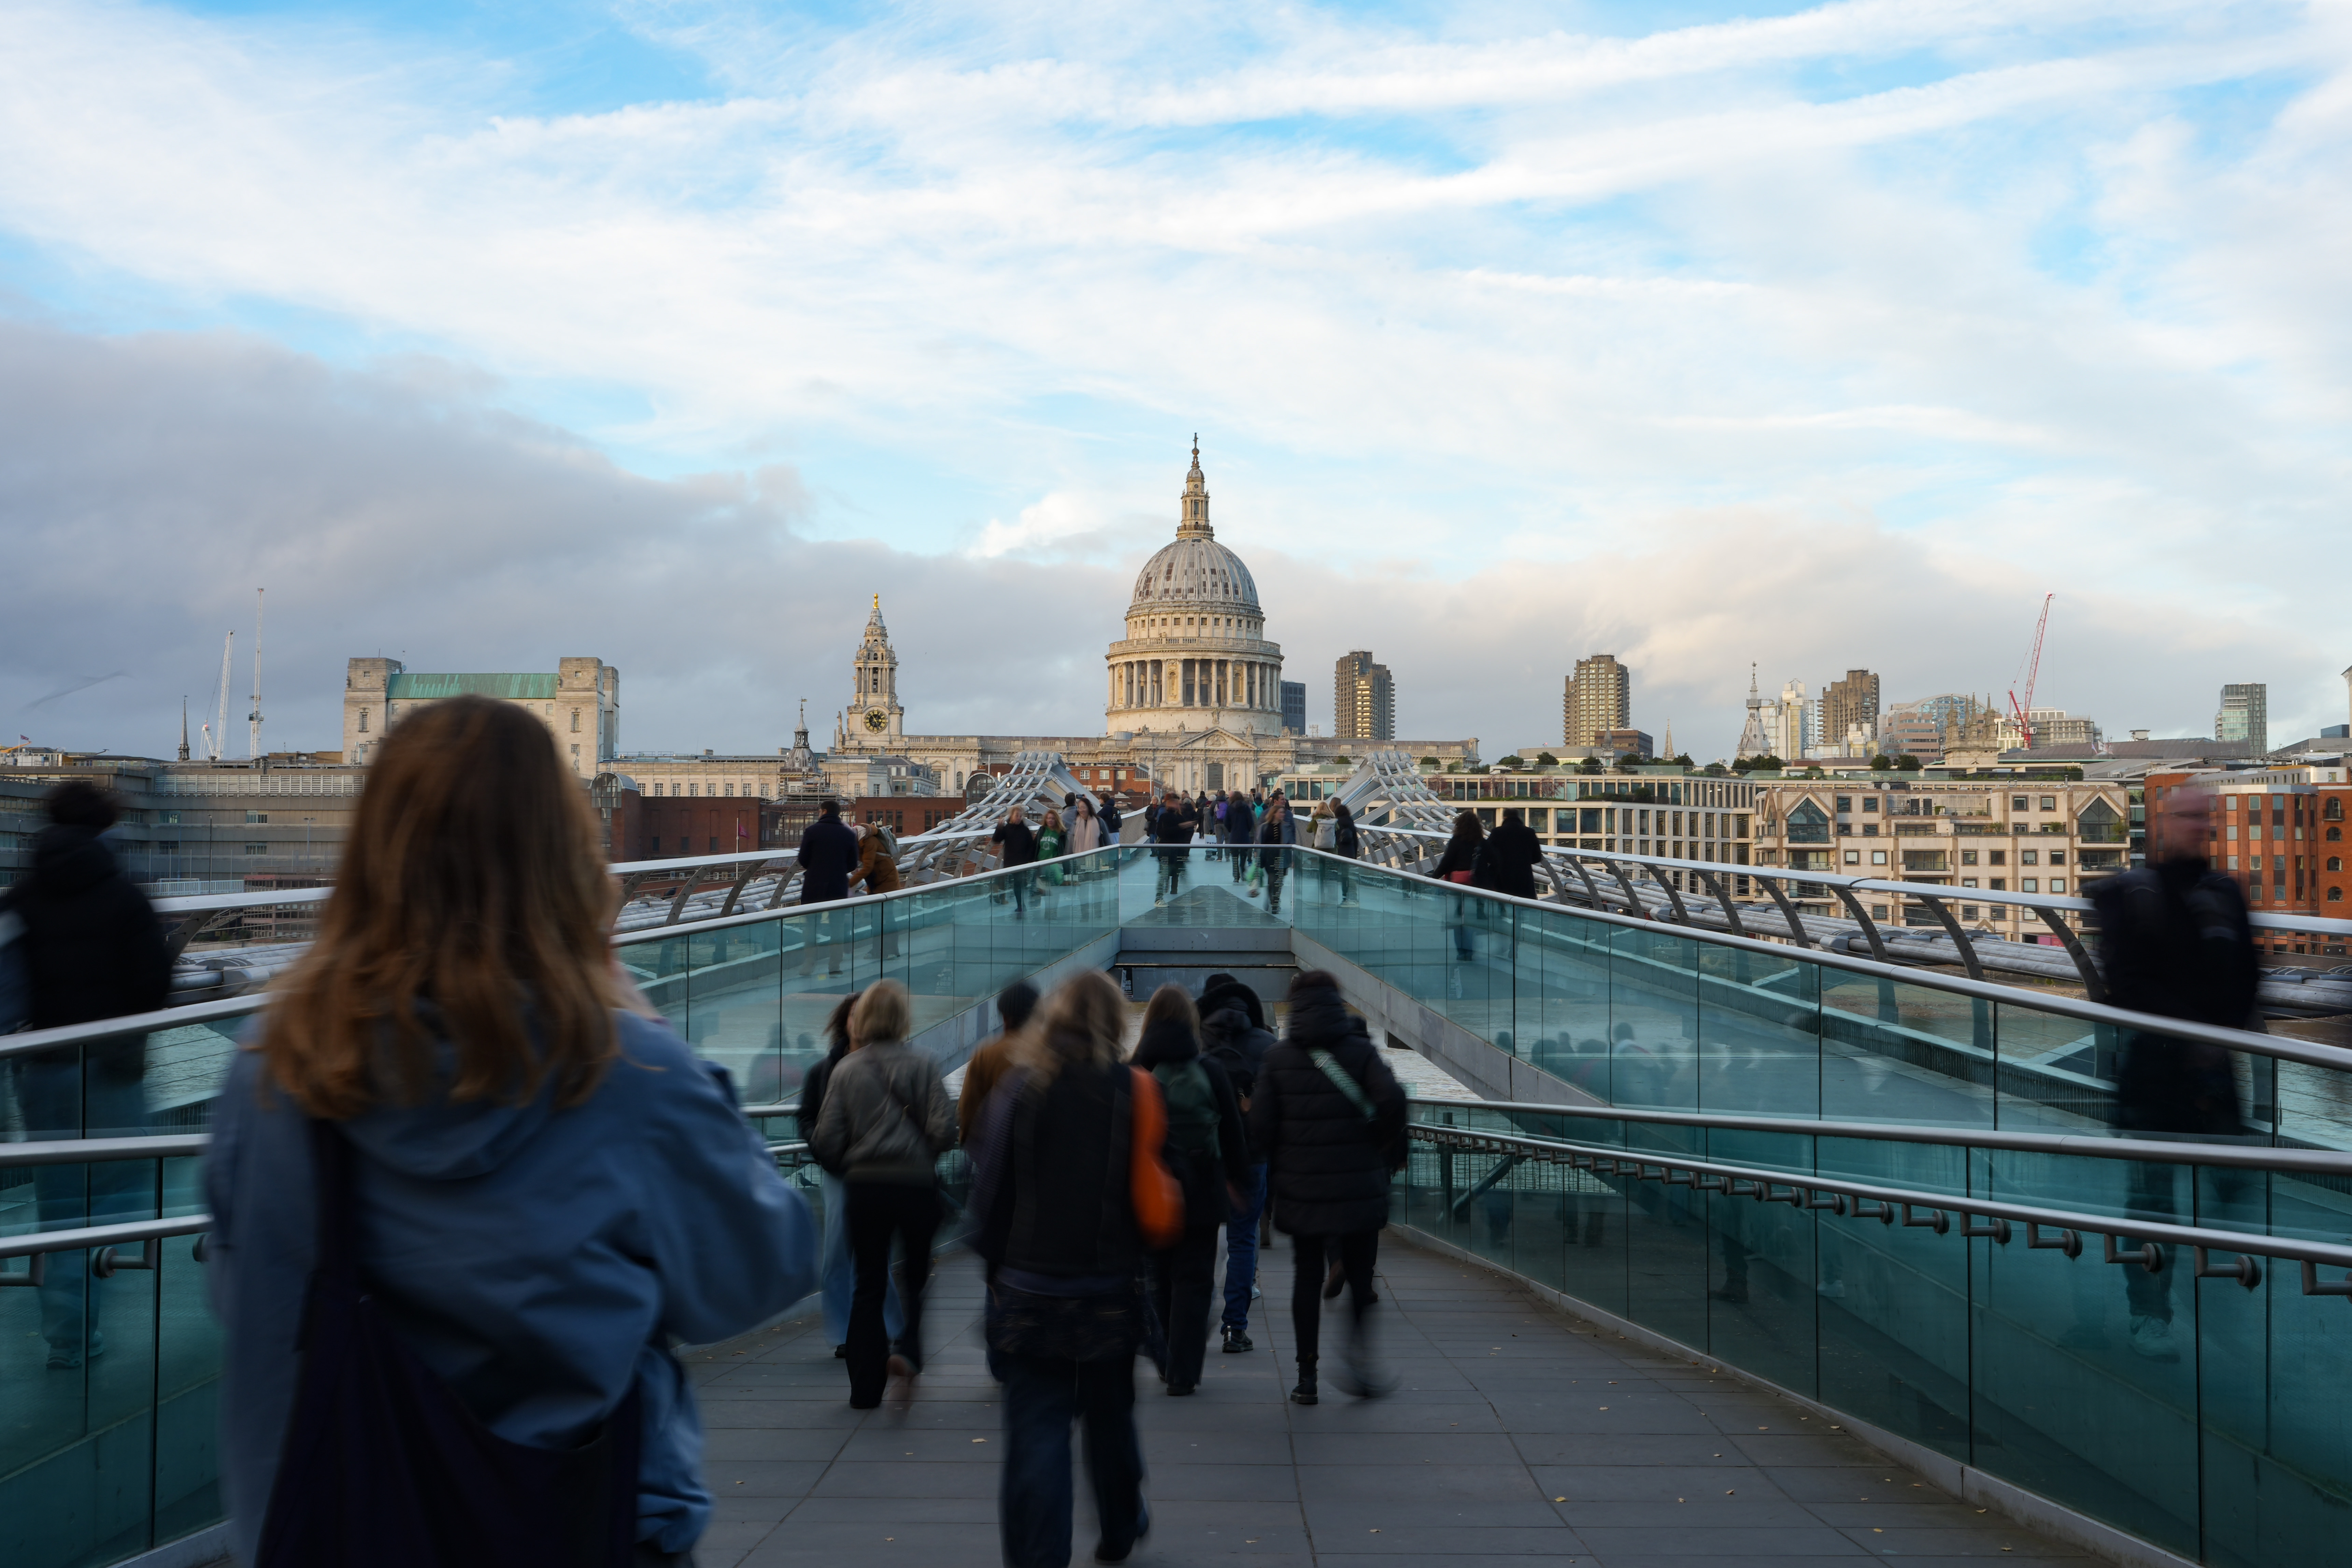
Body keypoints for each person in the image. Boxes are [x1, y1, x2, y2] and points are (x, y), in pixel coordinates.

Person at [204, 694, 818, 1568]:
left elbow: (251, 1308)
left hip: (342, 1524)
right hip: (588, 1520)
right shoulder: (625, 1067)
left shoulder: (275, 1064)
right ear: (564, 852)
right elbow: (758, 1270)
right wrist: (638, 1017)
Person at [969, 972, 1163, 1568]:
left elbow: (991, 1189)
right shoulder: (1136, 1088)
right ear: (1114, 1022)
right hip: (1108, 1288)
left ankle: (1037, 1555)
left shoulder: (1018, 1088)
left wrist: (996, 1271)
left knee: (1037, 1433)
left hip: (1030, 1290)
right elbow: (1149, 1195)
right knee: (1109, 1414)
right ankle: (1120, 1520)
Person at [2, 779, 171, 1369]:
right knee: (119, 1189)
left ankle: (68, 1336)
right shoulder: (127, 897)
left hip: (43, 1071)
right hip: (113, 1068)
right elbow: (154, 986)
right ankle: (90, 1293)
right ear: (106, 829)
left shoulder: (19, 898)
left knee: (59, 1199)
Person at [2086, 784, 2258, 1364]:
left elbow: (2248, 975)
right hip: (2156, 1074)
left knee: (2235, 1185)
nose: (2197, 826)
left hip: (2213, 1075)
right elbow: (2126, 985)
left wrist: (2221, 1035)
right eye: (2186, 816)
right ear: (2160, 824)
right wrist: (2204, 1033)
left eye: (2203, 816)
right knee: (2152, 1198)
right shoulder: (2128, 894)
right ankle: (2149, 1312)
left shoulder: (2224, 893)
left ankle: (2220, 1304)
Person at [1247, 970, 1407, 1405]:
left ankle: (1306, 1376)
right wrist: (1380, 1143)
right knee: (1360, 1274)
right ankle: (1358, 1358)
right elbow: (1392, 1099)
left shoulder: (1278, 1059)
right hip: (1357, 1184)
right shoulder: (1360, 1052)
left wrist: (1282, 1159)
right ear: (1337, 1003)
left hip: (1302, 1188)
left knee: (1306, 1275)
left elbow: (1259, 1128)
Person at [809, 980, 955, 1408]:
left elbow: (827, 1140)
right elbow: (946, 1129)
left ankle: (864, 1388)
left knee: (868, 1283)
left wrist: (858, 1151)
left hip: (866, 1188)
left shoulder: (846, 1070)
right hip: (915, 1185)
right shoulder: (925, 1063)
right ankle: (908, 1351)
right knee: (914, 1279)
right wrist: (919, 1149)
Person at [1131, 986, 1250, 1395]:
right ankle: (1184, 1371)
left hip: (1153, 1187)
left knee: (1159, 1278)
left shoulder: (1138, 1069)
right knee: (1195, 1280)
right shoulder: (1211, 1067)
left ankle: (1166, 1358)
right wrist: (1239, 1181)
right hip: (1203, 1186)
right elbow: (1234, 1135)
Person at [799, 995, 904, 1359]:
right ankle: (845, 1332)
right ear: (844, 1020)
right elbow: (808, 1115)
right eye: (855, 1016)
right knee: (837, 1254)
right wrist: (823, 1150)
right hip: (839, 1172)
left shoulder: (892, 1065)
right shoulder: (823, 1069)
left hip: (879, 1171)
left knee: (876, 1251)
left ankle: (888, 1326)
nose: (860, 1023)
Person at [1199, 976, 1277, 1354]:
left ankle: (1189, 1322)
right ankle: (1235, 1327)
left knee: (1197, 1240)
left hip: (1202, 1157)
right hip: (1252, 1157)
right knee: (1243, 1241)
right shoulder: (1267, 1045)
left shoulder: (1196, 1041)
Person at [955, 980, 1042, 1147]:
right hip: (1040, 1152)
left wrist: (966, 1140)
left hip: (997, 1149)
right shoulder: (1050, 1054)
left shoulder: (986, 1055)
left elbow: (969, 1108)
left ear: (1005, 1017)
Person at [796, 799, 862, 976]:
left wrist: (817, 867)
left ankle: (809, 963)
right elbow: (852, 863)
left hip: (814, 884)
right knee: (837, 927)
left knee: (811, 925)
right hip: (838, 884)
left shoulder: (812, 831)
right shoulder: (848, 834)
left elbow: (803, 859)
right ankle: (835, 965)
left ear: (824, 812)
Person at [1429, 810, 1486, 961]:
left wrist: (1434, 877)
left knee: (1458, 920)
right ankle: (1471, 950)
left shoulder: (1456, 840)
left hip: (1458, 884)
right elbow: (1491, 861)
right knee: (1471, 919)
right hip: (1476, 885)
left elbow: (1447, 862)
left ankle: (1462, 952)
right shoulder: (1481, 841)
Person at [849, 821, 902, 959]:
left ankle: (882, 951)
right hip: (878, 882)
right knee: (882, 918)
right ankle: (885, 950)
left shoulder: (870, 842)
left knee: (883, 919)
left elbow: (868, 867)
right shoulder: (864, 841)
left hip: (886, 883)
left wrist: (849, 885)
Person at [1476, 806, 1544, 900]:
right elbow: (1537, 857)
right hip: (1524, 877)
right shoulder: (1530, 832)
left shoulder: (1497, 832)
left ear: (1505, 818)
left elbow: (1488, 854)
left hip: (1502, 877)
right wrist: (1524, 862)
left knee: (1502, 904)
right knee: (1524, 906)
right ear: (1518, 817)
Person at [1152, 789, 1198, 906]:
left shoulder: (1180, 817)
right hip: (1167, 851)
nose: (1179, 806)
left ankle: (1190, 896)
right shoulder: (1166, 817)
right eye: (1177, 803)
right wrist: (1181, 827)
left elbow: (1183, 835)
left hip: (1177, 852)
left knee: (1183, 874)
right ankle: (1158, 899)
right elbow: (1162, 833)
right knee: (1165, 875)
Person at [992, 804, 1040, 917]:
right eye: (1017, 816)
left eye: (1020, 816)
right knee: (1004, 881)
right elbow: (996, 840)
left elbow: (1031, 846)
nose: (1019, 818)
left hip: (1021, 863)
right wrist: (999, 827)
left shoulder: (1025, 830)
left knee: (1018, 884)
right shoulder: (1007, 829)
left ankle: (1020, 905)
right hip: (1009, 862)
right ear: (1012, 817)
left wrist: (1029, 859)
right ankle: (999, 897)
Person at [1256, 793, 1298, 917]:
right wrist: (1256, 854)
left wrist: (1293, 857)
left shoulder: (1286, 827)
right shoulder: (1264, 827)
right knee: (1272, 880)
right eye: (1281, 813)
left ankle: (1276, 902)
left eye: (1284, 813)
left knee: (1279, 881)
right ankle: (1271, 898)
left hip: (1282, 856)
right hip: (1269, 857)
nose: (1283, 815)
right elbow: (1259, 841)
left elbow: (1292, 841)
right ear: (1274, 813)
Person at [1223, 789, 1257, 885]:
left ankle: (1236, 876)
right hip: (1245, 835)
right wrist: (1247, 829)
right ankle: (1243, 872)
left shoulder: (1230, 808)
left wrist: (1231, 830)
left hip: (1234, 835)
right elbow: (1251, 822)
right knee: (1243, 856)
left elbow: (1226, 822)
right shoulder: (1246, 808)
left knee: (1234, 857)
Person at [1037, 808, 1067, 888]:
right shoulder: (1042, 830)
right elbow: (1036, 846)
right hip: (1040, 865)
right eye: (1048, 818)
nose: (1050, 820)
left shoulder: (1061, 833)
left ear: (1057, 820)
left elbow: (1064, 849)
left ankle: (1060, 881)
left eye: (1053, 819)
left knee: (1053, 891)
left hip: (1053, 864)